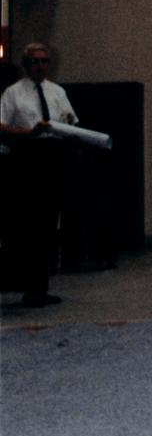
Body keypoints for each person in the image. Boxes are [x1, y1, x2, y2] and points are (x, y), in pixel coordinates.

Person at [0, 43, 78, 307]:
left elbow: (71, 123)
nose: (41, 66)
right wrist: (29, 133)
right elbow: (2, 125)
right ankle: (29, 287)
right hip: (26, 159)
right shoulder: (13, 93)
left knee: (47, 226)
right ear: (26, 64)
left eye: (45, 61)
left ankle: (42, 287)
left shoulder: (57, 92)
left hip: (52, 157)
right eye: (36, 62)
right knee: (28, 226)